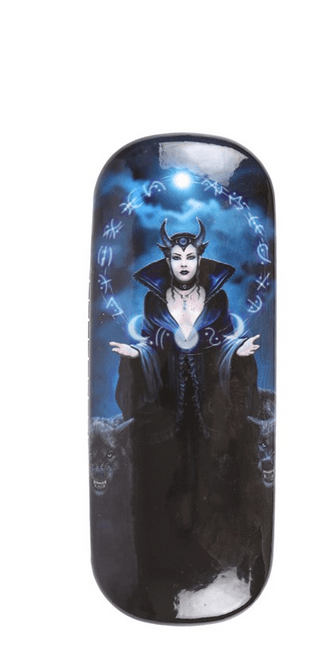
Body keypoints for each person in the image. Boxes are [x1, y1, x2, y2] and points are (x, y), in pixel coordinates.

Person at [109, 219, 260, 612]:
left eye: (190, 256)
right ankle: (162, 565)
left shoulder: (217, 299)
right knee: (166, 475)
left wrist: (236, 352)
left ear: (199, 258)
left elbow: (220, 342)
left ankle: (215, 564)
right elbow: (154, 346)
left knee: (212, 474)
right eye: (177, 257)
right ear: (168, 259)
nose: (183, 264)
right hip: (167, 402)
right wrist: (137, 355)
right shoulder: (154, 301)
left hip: (209, 404)